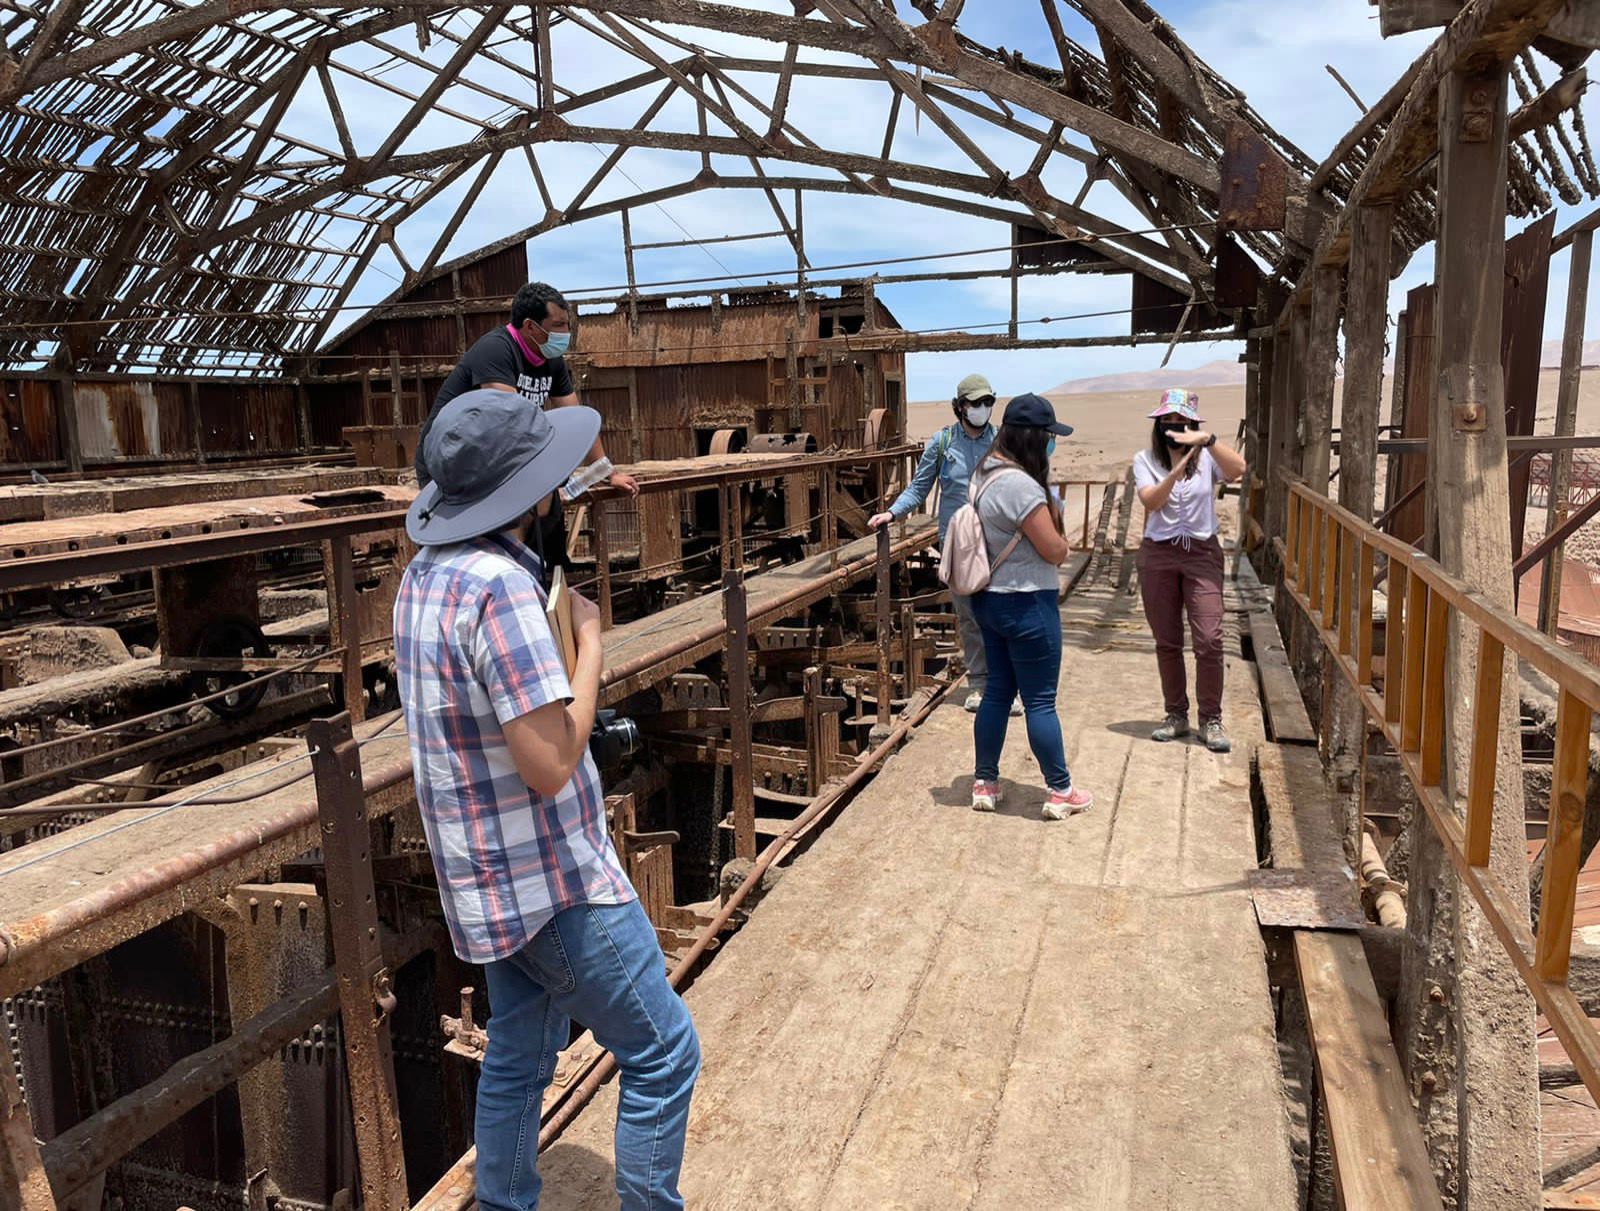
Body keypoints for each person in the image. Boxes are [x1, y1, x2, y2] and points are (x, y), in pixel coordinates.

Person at [395, 389, 699, 1211]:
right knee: (665, 1052)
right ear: (525, 489)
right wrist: (592, 641)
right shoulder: (499, 588)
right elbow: (552, 761)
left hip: (483, 876)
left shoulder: (424, 576)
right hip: (553, 882)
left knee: (519, 1058)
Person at [415, 281, 639, 579]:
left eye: (566, 324)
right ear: (531, 327)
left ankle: (541, 592)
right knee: (483, 547)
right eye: (557, 325)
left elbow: (574, 417)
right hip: (455, 463)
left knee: (546, 529)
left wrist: (607, 472)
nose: (565, 333)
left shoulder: (551, 361)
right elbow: (505, 425)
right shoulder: (496, 351)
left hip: (499, 460)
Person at [967, 392, 1092, 820]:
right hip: (1028, 605)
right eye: (1048, 438)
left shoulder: (984, 473)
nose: (1051, 445)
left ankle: (985, 782)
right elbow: (1054, 550)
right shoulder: (1020, 485)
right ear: (1033, 439)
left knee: (997, 692)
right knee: (1040, 701)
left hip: (989, 602)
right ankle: (1060, 790)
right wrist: (1062, 538)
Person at [869, 373, 1019, 716]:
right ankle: (981, 685)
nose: (983, 409)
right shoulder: (942, 443)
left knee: (1002, 614)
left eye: (988, 402)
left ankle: (1008, 687)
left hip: (997, 542)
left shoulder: (1002, 442)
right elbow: (918, 488)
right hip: (958, 545)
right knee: (969, 615)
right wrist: (892, 514)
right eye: (976, 403)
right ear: (961, 406)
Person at [1132, 388, 1248, 753]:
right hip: (1159, 555)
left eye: (1183, 423)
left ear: (1194, 425)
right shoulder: (1144, 460)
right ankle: (1176, 714)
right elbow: (1151, 500)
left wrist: (1208, 443)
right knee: (1167, 641)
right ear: (1158, 426)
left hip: (1201, 553)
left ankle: (1210, 718)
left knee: (1210, 638)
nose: (1175, 429)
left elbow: (1238, 470)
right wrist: (1178, 466)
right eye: (1168, 423)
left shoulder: (1208, 458)